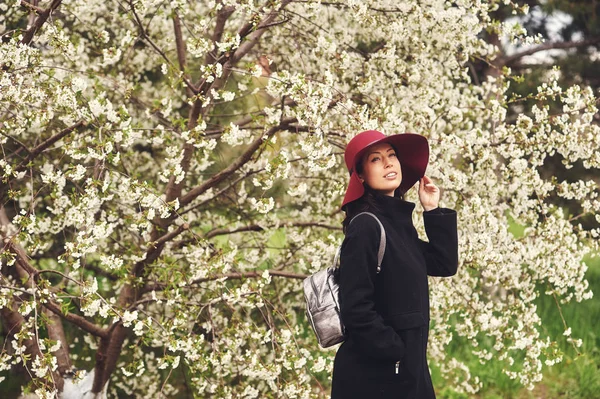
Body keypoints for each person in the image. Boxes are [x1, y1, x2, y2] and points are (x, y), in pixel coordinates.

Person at [330, 130, 459, 399]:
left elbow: (443, 263)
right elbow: (356, 308)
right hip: (377, 375)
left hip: (406, 369)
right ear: (361, 176)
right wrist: (395, 350)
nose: (389, 163)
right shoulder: (367, 226)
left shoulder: (397, 224)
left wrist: (432, 211)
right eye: (376, 159)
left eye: (391, 156)